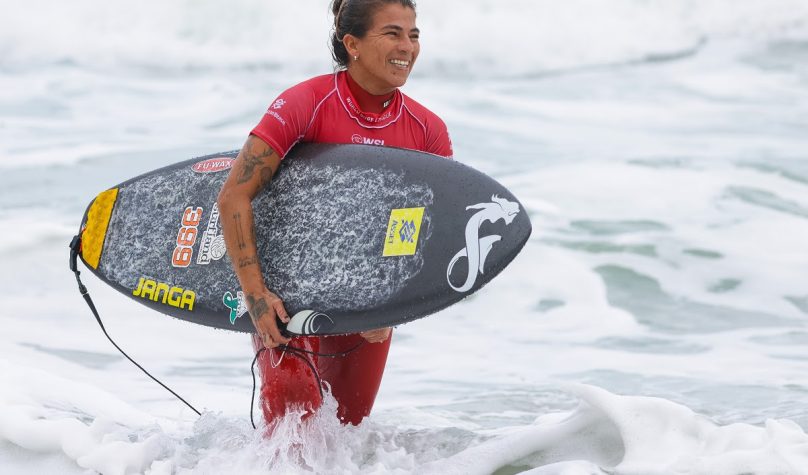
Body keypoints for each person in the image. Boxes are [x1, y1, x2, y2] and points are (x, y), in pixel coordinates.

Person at [217, 0, 452, 427]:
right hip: (285, 293)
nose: (408, 47)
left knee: (346, 434)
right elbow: (234, 196)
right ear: (353, 44)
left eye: (414, 35)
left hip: (368, 304)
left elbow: (417, 225)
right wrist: (256, 295)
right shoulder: (305, 104)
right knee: (293, 425)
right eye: (393, 33)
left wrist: (390, 306)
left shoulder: (426, 130)